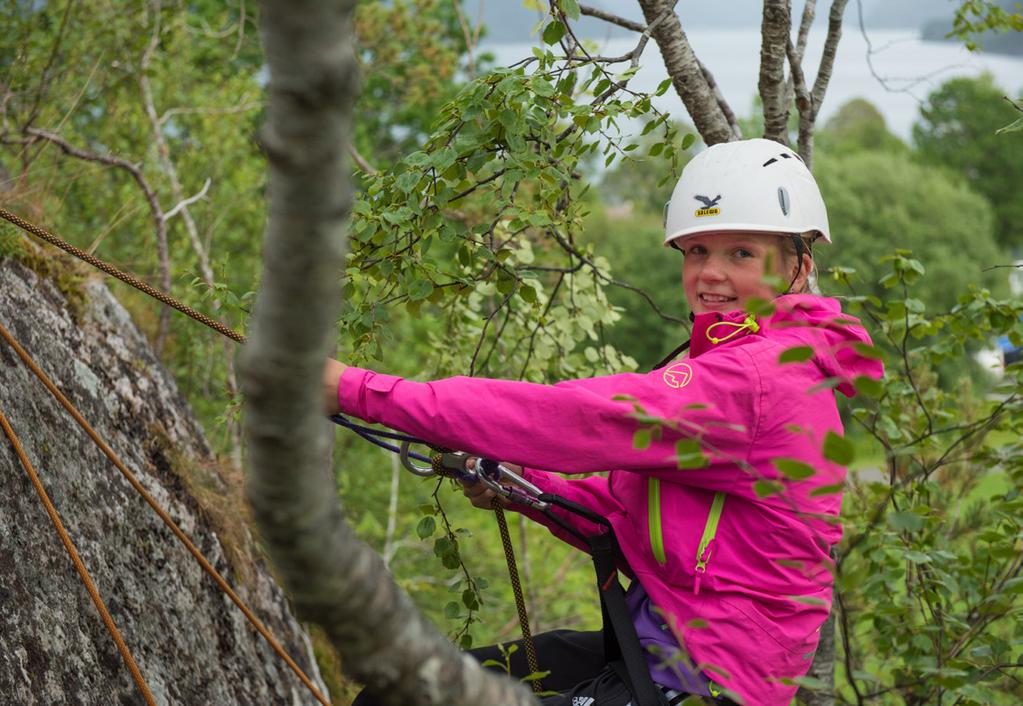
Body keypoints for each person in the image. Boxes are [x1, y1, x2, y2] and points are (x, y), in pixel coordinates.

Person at [329, 138, 884, 706]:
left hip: (705, 676)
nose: (709, 273)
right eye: (696, 251)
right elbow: (626, 516)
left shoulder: (757, 380)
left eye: (741, 253)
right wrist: (522, 487)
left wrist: (355, 390)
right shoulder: (736, 364)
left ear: (798, 269)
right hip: (662, 643)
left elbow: (574, 421)